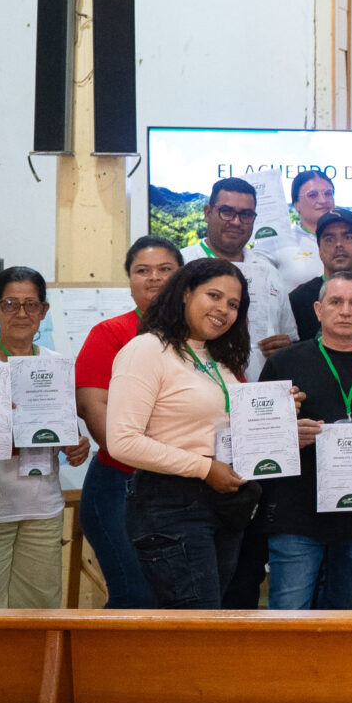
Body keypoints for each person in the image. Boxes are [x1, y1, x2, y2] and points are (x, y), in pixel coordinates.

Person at [107, 257, 256, 609]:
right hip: (170, 504)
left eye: (233, 304)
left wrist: (281, 424)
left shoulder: (218, 359)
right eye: (214, 296)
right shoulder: (147, 350)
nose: (224, 310)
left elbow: (211, 429)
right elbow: (122, 441)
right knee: (196, 627)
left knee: (209, 623)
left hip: (222, 503)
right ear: (186, 293)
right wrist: (204, 468)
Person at [257, 271, 352, 610]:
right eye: (336, 302)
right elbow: (255, 440)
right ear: (318, 309)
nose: (346, 311)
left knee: (346, 615)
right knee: (288, 613)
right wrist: (287, 436)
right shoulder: (284, 363)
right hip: (295, 518)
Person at [74, 234, 181, 609]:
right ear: (130, 279)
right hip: (122, 487)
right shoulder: (110, 334)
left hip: (185, 491)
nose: (154, 278)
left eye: (166, 269)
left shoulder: (206, 337)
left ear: (183, 278)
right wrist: (175, 461)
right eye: (143, 270)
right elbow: (96, 416)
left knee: (178, 599)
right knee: (137, 596)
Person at [0, 268, 91, 610]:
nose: (22, 313)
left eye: (31, 304)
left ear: (44, 311)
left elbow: (64, 427)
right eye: (11, 304)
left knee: (40, 605)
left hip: (43, 504)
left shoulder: (57, 364)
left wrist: (77, 443)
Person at [185, 178, 295, 370]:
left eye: (246, 214)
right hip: (198, 389)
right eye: (227, 212)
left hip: (261, 390)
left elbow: (290, 336)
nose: (236, 222)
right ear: (207, 213)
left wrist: (285, 349)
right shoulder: (182, 265)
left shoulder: (269, 272)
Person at [288, 209, 352, 341]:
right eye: (329, 239)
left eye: (348, 237)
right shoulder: (297, 300)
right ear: (319, 250)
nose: (339, 245)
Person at [267, 169, 338, 289]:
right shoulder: (279, 241)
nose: (323, 200)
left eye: (328, 193)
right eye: (312, 195)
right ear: (296, 205)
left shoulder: (349, 239)